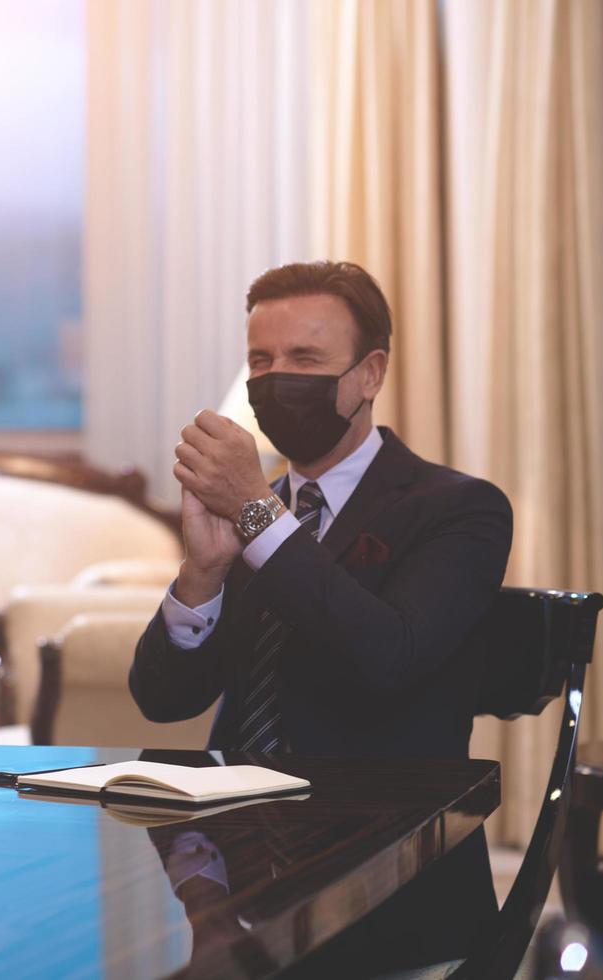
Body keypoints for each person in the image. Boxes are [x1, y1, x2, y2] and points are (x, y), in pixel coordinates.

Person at [129, 260, 512, 965]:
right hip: (231, 858)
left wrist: (257, 515)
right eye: (261, 360)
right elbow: (162, 699)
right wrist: (202, 575)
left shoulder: (459, 509)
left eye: (305, 358)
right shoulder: (246, 514)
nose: (278, 378)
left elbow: (387, 659)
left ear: (370, 374)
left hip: (389, 872)